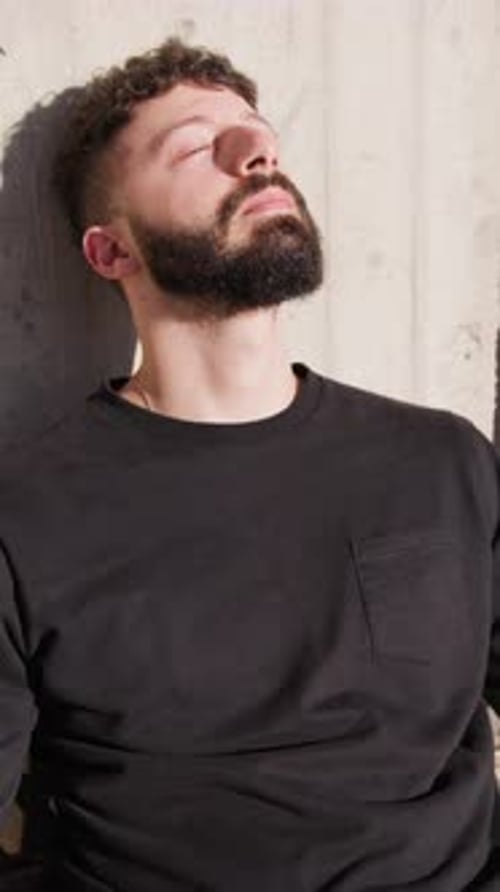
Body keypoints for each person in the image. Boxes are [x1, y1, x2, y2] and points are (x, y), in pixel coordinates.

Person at [0, 36, 499, 892]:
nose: (255, 153)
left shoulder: (443, 461)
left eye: (257, 135)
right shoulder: (27, 510)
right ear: (110, 252)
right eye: (196, 147)